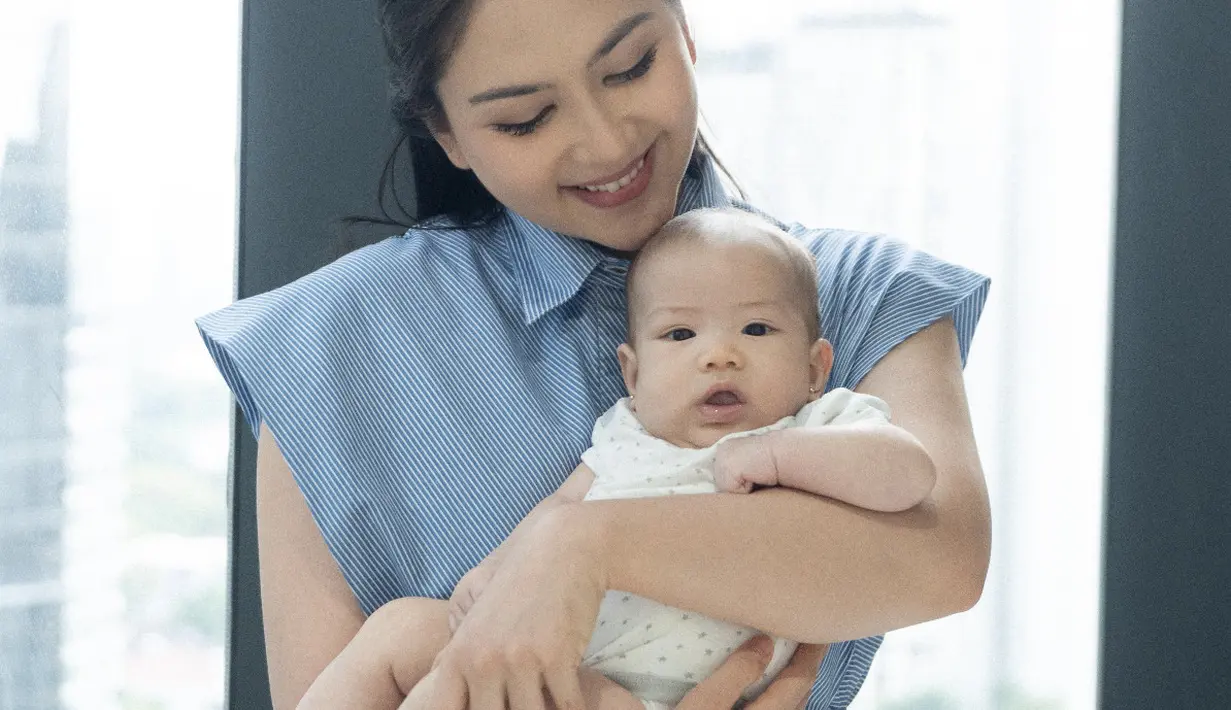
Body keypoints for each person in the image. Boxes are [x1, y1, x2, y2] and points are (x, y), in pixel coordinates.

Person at [196, 0, 993, 708]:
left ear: (683, 30)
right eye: (523, 118)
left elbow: (943, 558)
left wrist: (579, 545)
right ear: (449, 134)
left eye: (629, 66)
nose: (605, 141)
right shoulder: (328, 345)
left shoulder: (861, 292)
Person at [295, 208, 942, 709]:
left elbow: (908, 474)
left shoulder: (821, 424)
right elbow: (560, 511)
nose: (718, 355)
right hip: (572, 671)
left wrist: (776, 453)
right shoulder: (627, 433)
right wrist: (498, 571)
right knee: (400, 631)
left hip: (667, 694)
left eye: (756, 329)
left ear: (814, 367)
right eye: (680, 334)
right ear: (631, 374)